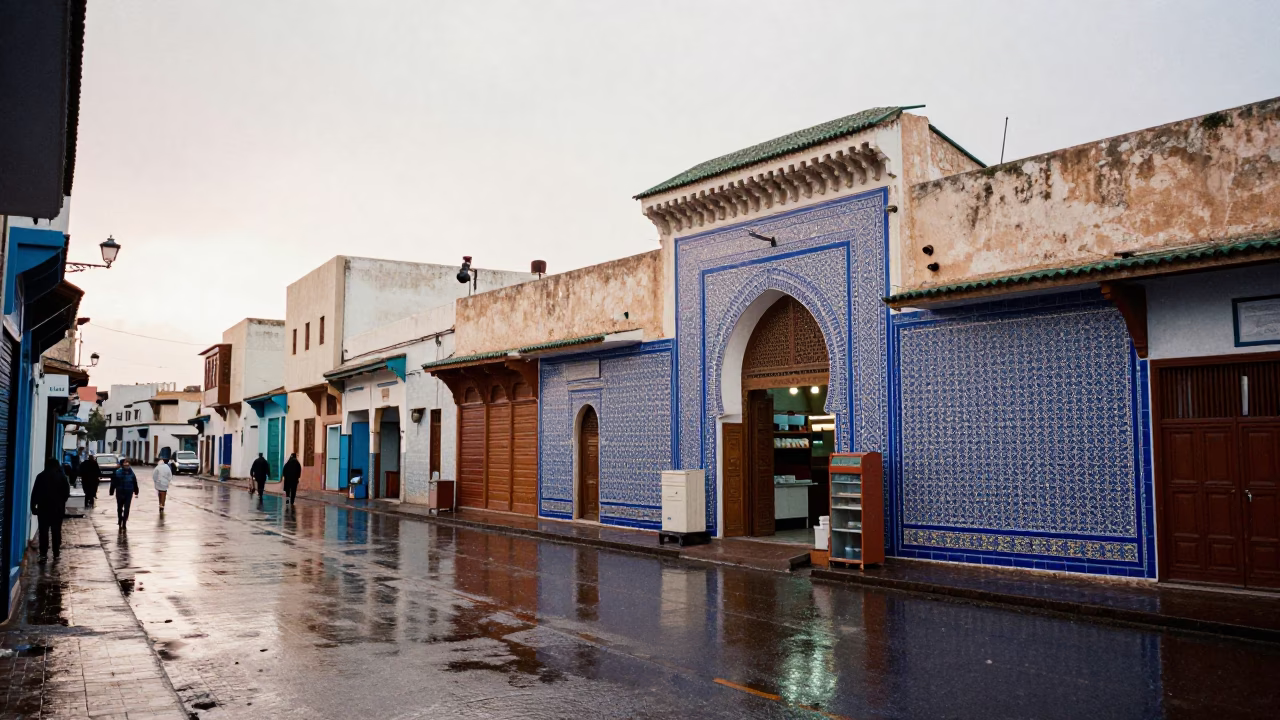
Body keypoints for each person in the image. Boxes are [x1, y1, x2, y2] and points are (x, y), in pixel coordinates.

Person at [30, 458, 70, 562]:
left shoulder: (41, 476)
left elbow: (35, 493)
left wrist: (33, 507)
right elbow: (66, 493)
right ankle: (56, 553)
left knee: (43, 532)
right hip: (57, 509)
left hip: (43, 509)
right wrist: (61, 502)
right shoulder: (62, 477)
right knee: (56, 531)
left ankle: (43, 554)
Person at [110, 458, 140, 529]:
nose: (127, 464)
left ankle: (124, 521)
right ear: (122, 464)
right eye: (125, 463)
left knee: (126, 507)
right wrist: (112, 490)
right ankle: (120, 518)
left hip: (128, 492)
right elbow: (113, 482)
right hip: (120, 491)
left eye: (128, 463)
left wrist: (136, 490)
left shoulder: (131, 472)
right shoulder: (118, 472)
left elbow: (134, 481)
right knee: (120, 507)